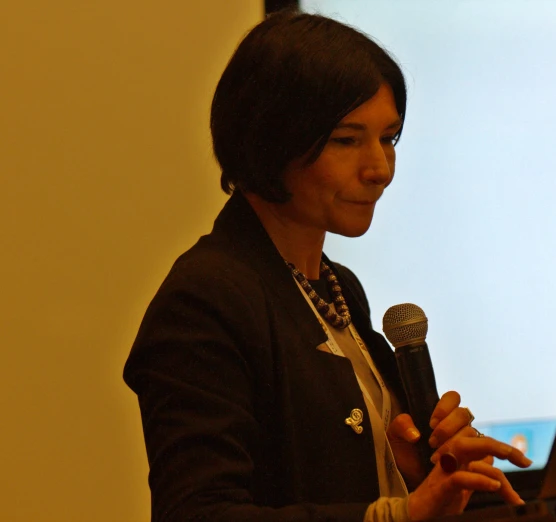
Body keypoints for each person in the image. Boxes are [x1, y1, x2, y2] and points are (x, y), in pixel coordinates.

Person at [123, 10, 532, 522]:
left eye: (389, 138)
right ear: (269, 138)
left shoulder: (339, 289)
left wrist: (418, 470)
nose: (379, 169)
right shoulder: (204, 300)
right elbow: (198, 513)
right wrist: (397, 517)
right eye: (347, 140)